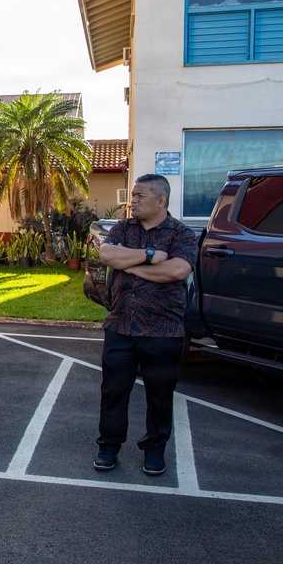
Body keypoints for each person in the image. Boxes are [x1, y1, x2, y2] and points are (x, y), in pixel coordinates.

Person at [93, 173, 197, 476]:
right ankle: (108, 447)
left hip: (164, 332)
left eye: (139, 196)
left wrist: (132, 264)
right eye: (132, 195)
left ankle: (154, 451)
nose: (132, 200)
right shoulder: (124, 227)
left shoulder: (181, 234)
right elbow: (107, 254)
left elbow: (177, 271)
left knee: (160, 396)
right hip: (120, 327)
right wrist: (150, 256)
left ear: (160, 201)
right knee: (113, 392)